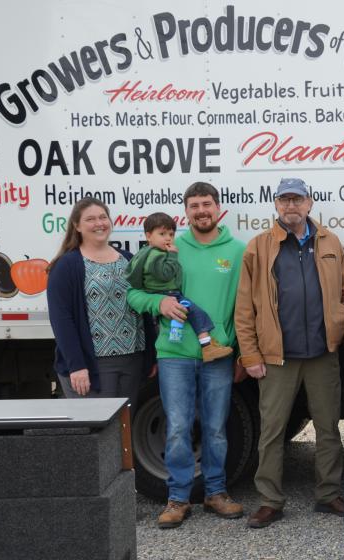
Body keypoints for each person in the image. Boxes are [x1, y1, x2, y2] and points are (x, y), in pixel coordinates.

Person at [127, 182, 246, 529]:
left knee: (216, 428)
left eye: (206, 204)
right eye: (193, 206)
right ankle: (177, 497)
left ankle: (216, 492)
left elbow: (245, 305)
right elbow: (133, 293)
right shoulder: (167, 248)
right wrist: (158, 302)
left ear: (218, 207)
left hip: (218, 354)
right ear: (186, 212)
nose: (201, 211)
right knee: (177, 428)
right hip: (174, 353)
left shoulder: (237, 251)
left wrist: (238, 350)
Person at [235, 177, 344, 528]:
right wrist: (251, 355)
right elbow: (245, 308)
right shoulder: (259, 246)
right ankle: (270, 500)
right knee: (272, 430)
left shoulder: (330, 242)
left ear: (309, 203)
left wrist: (338, 322)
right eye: (284, 200)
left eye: (296, 199)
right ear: (275, 204)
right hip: (276, 357)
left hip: (321, 354)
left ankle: (328, 494)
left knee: (329, 427)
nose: (290, 206)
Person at [47, 197, 153, 405]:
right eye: (90, 219)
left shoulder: (128, 259)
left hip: (132, 360)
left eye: (103, 217)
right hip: (94, 364)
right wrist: (76, 365)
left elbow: (144, 306)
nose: (99, 223)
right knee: (102, 433)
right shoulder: (67, 265)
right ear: (76, 226)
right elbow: (61, 319)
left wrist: (151, 357)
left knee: (124, 428)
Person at [126, 212, 233, 362]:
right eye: (162, 234)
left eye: (171, 234)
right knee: (197, 313)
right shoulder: (157, 254)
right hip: (169, 294)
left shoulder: (144, 253)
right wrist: (172, 256)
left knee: (192, 313)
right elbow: (166, 274)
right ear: (148, 236)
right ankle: (208, 345)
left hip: (162, 293)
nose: (168, 238)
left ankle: (208, 345)